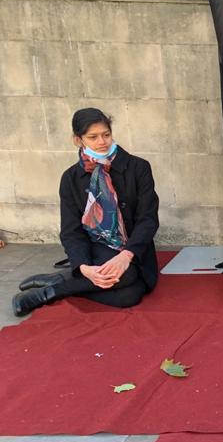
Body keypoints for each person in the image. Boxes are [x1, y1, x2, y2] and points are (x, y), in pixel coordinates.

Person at [12, 108, 159, 316]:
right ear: (78, 140)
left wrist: (126, 256)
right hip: (96, 247)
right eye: (93, 137)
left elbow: (148, 219)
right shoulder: (71, 178)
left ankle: (55, 289)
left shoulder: (138, 167)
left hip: (133, 247)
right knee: (126, 286)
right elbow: (71, 231)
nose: (102, 142)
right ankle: (71, 280)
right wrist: (82, 267)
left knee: (129, 293)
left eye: (106, 134)